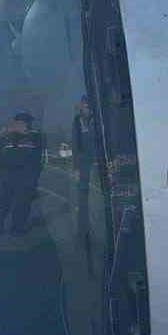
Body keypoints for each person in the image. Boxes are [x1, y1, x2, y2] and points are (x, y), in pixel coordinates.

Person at [0, 111, 44, 237]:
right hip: (4, 174)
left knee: (22, 203)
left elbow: (39, 158)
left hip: (24, 174)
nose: (24, 126)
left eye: (26, 124)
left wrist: (34, 178)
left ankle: (17, 228)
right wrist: (0, 136)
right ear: (15, 123)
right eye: (20, 123)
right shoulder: (6, 136)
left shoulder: (35, 135)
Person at [71, 96, 97, 252]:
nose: (86, 108)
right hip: (83, 166)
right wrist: (75, 169)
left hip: (97, 165)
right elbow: (75, 146)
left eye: (88, 106)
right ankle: (83, 233)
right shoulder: (76, 122)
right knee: (83, 201)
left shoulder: (96, 120)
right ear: (80, 107)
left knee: (96, 199)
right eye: (84, 106)